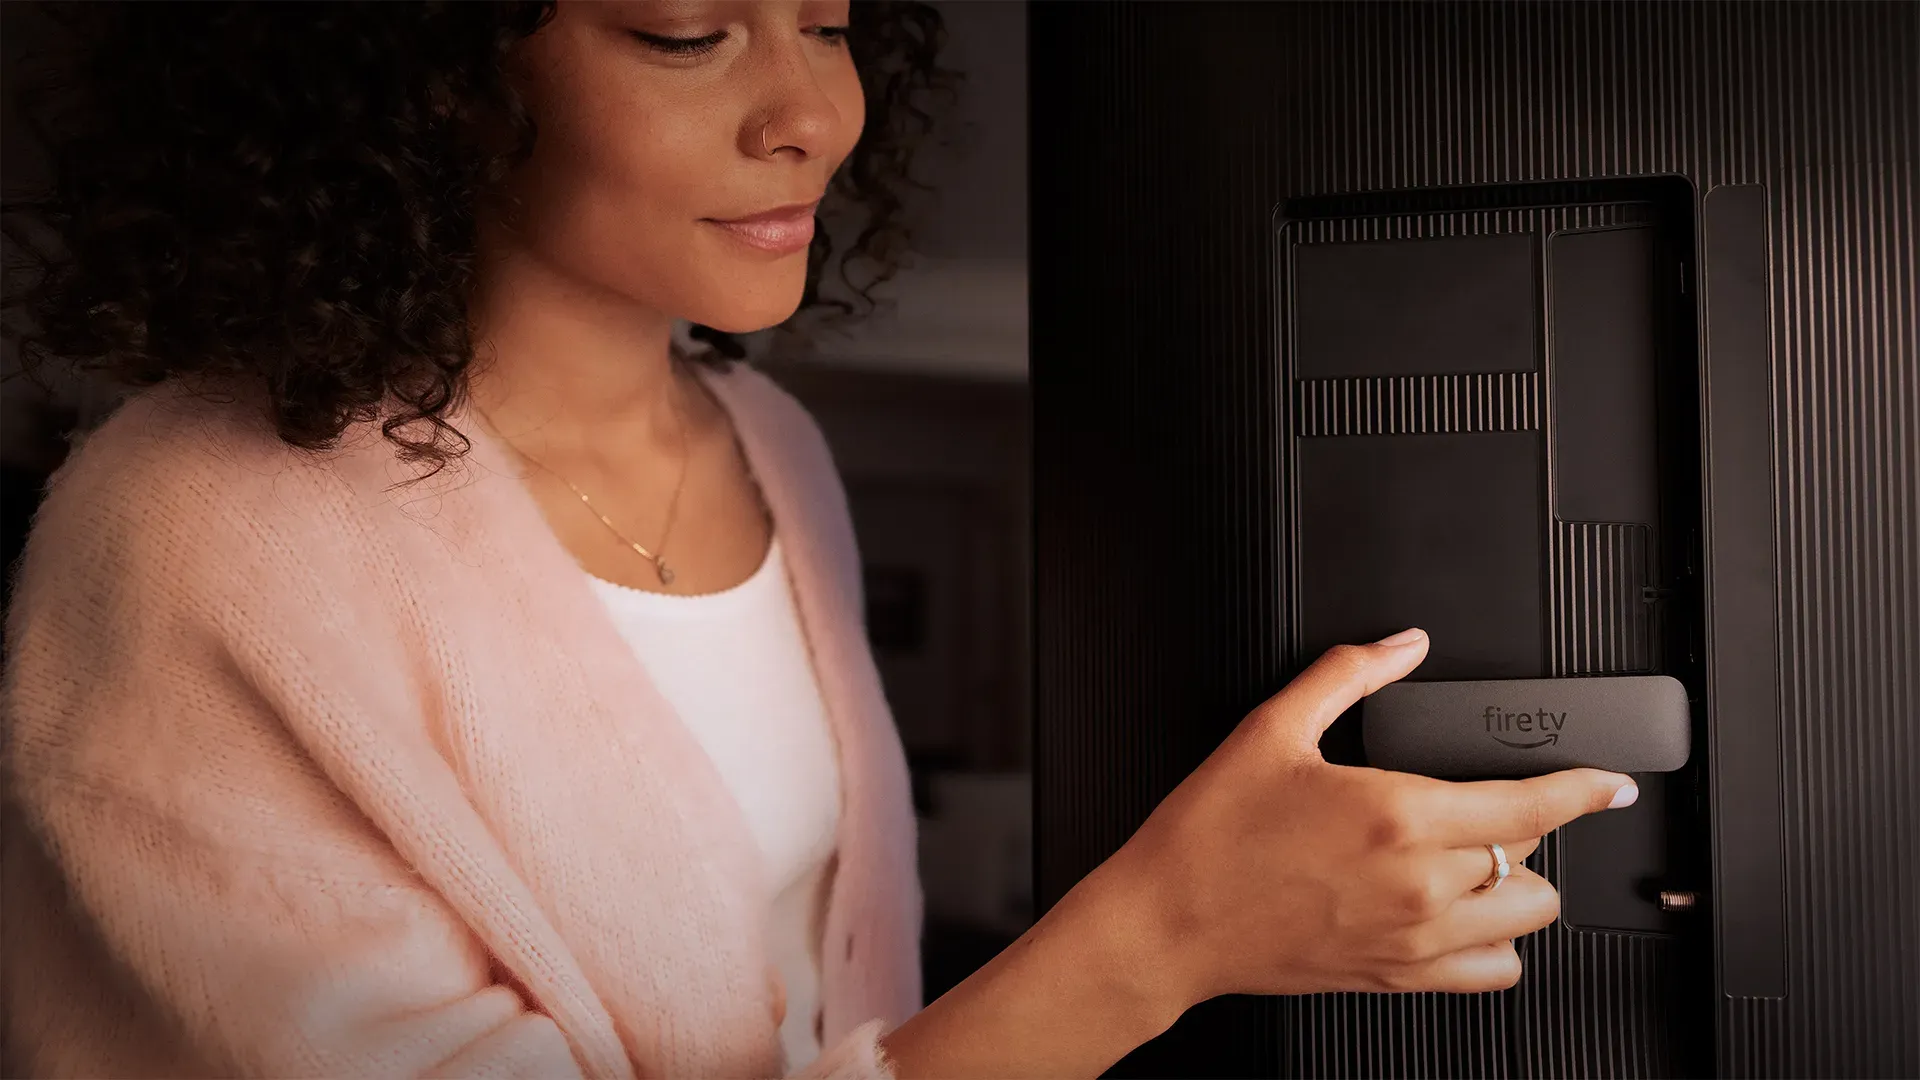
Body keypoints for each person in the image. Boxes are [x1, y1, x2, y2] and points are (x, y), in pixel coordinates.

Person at [0, 3, 1640, 1077]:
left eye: (834, 23)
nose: (810, 112)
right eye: (687, 30)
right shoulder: (193, 536)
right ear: (428, 78)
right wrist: (1164, 939)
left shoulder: (770, 445)